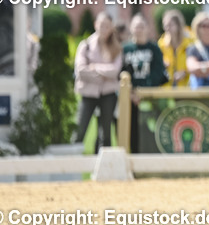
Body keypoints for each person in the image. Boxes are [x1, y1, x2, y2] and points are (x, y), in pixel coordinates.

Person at [74, 11, 123, 153]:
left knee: (105, 133)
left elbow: (115, 70)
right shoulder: (86, 45)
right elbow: (81, 70)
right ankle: (72, 163)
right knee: (80, 129)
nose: (104, 29)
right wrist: (102, 74)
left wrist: (94, 67)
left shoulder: (116, 47)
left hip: (108, 94)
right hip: (88, 94)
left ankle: (103, 168)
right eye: (101, 25)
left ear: (111, 27)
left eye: (107, 26)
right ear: (96, 25)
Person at [122, 14, 167, 152]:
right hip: (130, 98)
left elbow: (158, 72)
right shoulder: (125, 49)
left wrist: (143, 92)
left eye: (142, 26)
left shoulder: (154, 49)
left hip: (150, 97)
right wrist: (131, 93)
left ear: (147, 28)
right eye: (136, 26)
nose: (139, 29)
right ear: (131, 28)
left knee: (151, 129)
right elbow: (122, 72)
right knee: (132, 130)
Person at [158, 9, 192, 87]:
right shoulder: (161, 44)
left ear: (178, 25)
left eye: (170, 25)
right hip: (167, 87)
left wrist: (185, 72)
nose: (167, 28)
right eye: (165, 25)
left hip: (186, 86)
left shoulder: (189, 43)